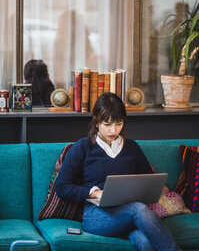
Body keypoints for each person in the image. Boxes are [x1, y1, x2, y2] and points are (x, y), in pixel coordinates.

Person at [56, 92, 182, 251]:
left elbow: (149, 181)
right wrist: (95, 193)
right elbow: (62, 187)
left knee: (145, 242)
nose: (113, 130)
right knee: (138, 209)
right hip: (97, 215)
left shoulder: (132, 148)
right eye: (107, 124)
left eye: (118, 123)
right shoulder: (82, 147)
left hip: (131, 215)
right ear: (96, 122)